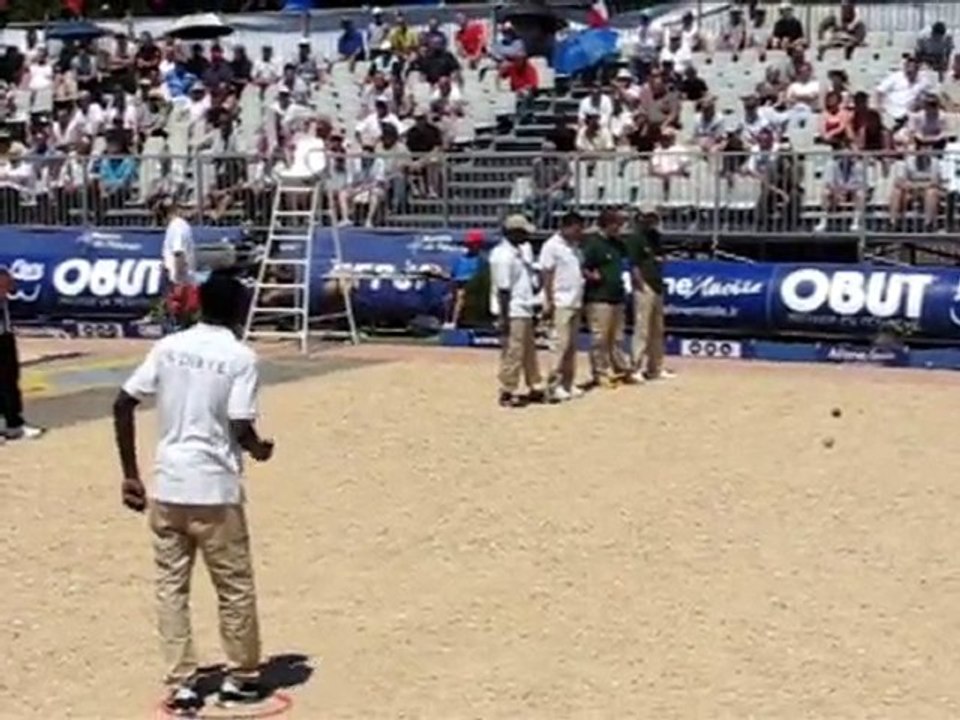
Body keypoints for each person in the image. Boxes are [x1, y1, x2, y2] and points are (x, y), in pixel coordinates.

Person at [112, 271, 275, 715]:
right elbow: (240, 423)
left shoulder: (169, 347)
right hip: (215, 487)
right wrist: (259, 449)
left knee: (171, 587)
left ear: (199, 302)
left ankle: (182, 681)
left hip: (168, 484)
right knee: (233, 586)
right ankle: (240, 676)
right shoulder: (241, 357)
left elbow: (124, 402)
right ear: (240, 311)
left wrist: (131, 474)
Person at [489, 214, 545, 408]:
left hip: (524, 306)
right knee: (514, 351)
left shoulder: (518, 252)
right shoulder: (502, 256)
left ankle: (535, 384)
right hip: (513, 310)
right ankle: (507, 389)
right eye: (523, 233)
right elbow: (503, 289)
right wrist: (504, 318)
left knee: (529, 350)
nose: (527, 237)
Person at [581, 208, 631, 387]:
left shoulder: (617, 244)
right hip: (598, 296)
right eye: (616, 224)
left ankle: (620, 369)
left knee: (617, 337)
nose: (620, 228)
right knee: (600, 337)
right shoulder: (594, 244)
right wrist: (591, 276)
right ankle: (600, 372)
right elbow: (583, 266)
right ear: (607, 224)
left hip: (616, 294)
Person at [540, 211, 585, 402]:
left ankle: (568, 382)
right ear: (566, 227)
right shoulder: (552, 246)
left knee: (572, 346)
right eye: (576, 229)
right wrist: (549, 301)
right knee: (560, 345)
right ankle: (553, 385)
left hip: (575, 301)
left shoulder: (574, 247)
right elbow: (547, 274)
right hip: (560, 301)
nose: (579, 233)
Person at [626, 204, 672, 382]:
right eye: (648, 217)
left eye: (653, 217)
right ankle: (636, 366)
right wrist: (639, 283)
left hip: (657, 283)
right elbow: (634, 263)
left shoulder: (655, 236)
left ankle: (656, 367)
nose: (651, 220)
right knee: (642, 327)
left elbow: (661, 256)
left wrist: (661, 261)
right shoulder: (635, 238)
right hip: (644, 284)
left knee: (657, 328)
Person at [0, 266, 44, 443]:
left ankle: (14, 425)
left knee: (9, 380)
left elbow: (12, 287)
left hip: (4, 336)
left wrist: (8, 284)